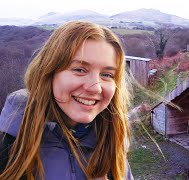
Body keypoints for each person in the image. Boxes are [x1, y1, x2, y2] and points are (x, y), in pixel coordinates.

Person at [0, 21, 133, 180]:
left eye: (107, 75)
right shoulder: (9, 142)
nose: (95, 88)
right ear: (49, 72)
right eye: (79, 70)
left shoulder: (112, 140)